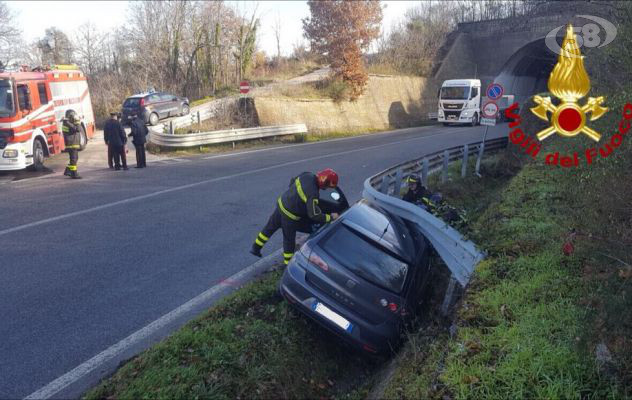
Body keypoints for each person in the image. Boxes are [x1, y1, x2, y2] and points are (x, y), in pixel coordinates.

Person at [250, 168, 340, 266]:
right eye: (327, 186)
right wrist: (330, 217)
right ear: (324, 181)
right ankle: (287, 264)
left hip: (282, 204)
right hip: (290, 216)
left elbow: (292, 181)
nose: (326, 188)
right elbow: (314, 214)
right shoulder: (313, 193)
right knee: (289, 240)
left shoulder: (307, 175)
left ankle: (255, 248)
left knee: (269, 228)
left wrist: (293, 196)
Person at [62, 109, 82, 179]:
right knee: (73, 159)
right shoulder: (67, 123)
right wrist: (77, 121)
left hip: (72, 143)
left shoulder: (68, 122)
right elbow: (78, 129)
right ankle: (74, 174)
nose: (74, 117)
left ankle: (68, 171)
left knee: (75, 158)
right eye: (73, 116)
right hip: (71, 144)